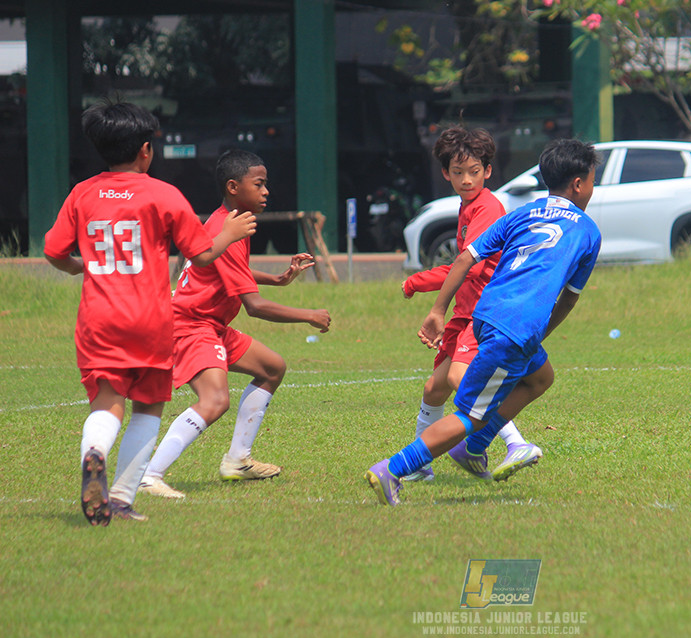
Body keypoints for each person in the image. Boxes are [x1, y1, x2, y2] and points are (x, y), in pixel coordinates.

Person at [44, 100, 257, 525]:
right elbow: (200, 256)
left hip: (98, 319)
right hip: (151, 320)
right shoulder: (163, 195)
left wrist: (79, 266)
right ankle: (121, 497)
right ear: (145, 150)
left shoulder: (82, 193)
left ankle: (94, 452)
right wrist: (229, 232)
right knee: (147, 406)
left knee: (108, 402)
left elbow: (54, 251)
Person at [365, 138, 602, 506]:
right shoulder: (588, 231)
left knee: (541, 377)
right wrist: (537, 333)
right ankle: (393, 469)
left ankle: (472, 449)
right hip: (515, 329)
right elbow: (568, 298)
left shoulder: (521, 214)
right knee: (471, 413)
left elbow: (463, 259)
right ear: (578, 184)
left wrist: (436, 310)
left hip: (485, 317)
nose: (591, 188)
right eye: (591, 181)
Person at [138, 149, 331, 499]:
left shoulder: (233, 223)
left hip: (210, 324)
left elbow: (231, 271)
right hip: (190, 325)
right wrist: (309, 315)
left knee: (272, 367)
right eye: (259, 184)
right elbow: (254, 307)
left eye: (266, 184)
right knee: (215, 400)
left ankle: (238, 460)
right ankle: (150, 475)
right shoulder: (225, 229)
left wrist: (278, 278)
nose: (266, 191)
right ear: (233, 186)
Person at [400, 126, 538, 483]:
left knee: (463, 377)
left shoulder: (489, 207)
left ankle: (515, 443)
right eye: (457, 172)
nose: (465, 179)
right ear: (445, 173)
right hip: (466, 312)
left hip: (485, 313)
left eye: (474, 171)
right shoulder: (468, 206)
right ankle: (420, 464)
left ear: (488, 171)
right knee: (435, 388)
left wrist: (420, 282)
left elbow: (469, 263)